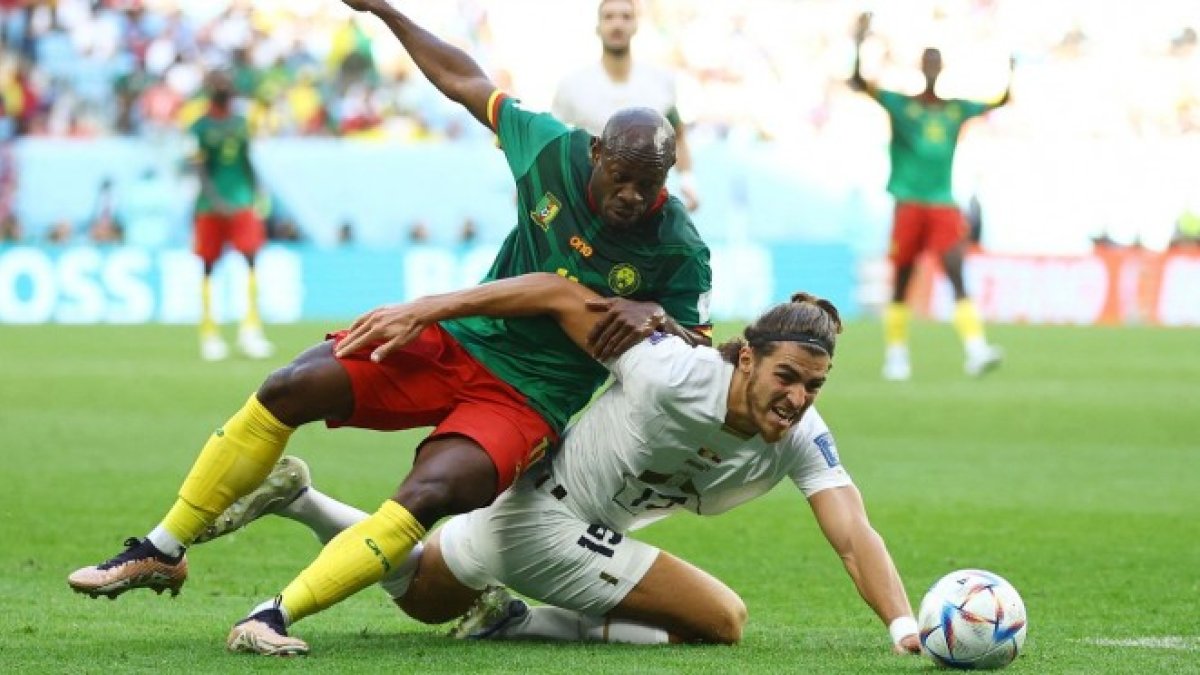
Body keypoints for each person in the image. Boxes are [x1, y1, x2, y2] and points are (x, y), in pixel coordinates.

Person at [67, 0, 712, 654]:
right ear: (597, 152)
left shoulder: (678, 247)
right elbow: (465, 83)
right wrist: (384, 12)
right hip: (459, 340)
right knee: (292, 383)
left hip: (528, 401)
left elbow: (699, 358)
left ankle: (275, 615)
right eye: (622, 178)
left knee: (430, 489)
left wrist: (657, 320)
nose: (634, 196)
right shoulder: (552, 150)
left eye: (649, 184)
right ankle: (162, 548)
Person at [207, 273, 921, 655]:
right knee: (722, 618)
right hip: (551, 513)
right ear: (745, 356)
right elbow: (553, 291)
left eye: (812, 386)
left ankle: (299, 497)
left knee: (426, 591)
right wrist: (430, 309)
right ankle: (520, 622)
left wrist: (903, 626)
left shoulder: (801, 433)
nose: (796, 398)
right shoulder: (670, 369)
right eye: (787, 376)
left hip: (543, 512)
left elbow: (854, 534)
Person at [850, 12, 1012, 381]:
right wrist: (859, 43)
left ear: (942, 68)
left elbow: (1001, 100)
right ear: (921, 67)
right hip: (908, 202)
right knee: (903, 278)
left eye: (937, 62)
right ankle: (896, 355)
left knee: (956, 271)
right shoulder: (901, 105)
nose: (932, 68)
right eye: (928, 62)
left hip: (942, 204)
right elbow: (859, 82)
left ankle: (975, 349)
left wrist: (1009, 67)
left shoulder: (956, 109)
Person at [553, 0, 700, 212]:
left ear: (636, 25)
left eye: (625, 16)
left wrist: (688, 180)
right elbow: (553, 144)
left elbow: (678, 135)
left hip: (644, 206)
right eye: (609, 17)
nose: (617, 24)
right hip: (586, 204)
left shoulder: (660, 81)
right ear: (598, 26)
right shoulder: (572, 86)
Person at [188, 70, 274, 362]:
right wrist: (215, 199)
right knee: (209, 267)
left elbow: (248, 159)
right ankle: (209, 334)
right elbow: (199, 168)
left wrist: (257, 192)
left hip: (242, 202)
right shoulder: (199, 127)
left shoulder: (241, 124)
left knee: (251, 262)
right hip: (210, 207)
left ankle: (250, 331)